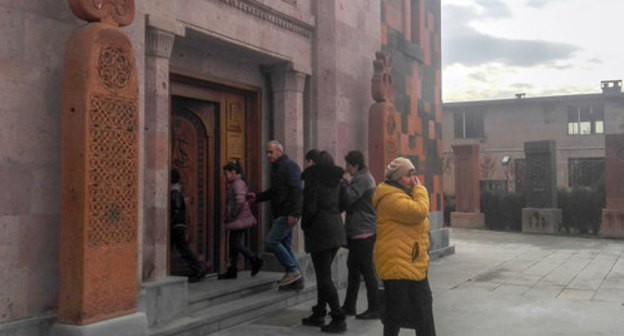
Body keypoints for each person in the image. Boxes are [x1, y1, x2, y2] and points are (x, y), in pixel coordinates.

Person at [372, 157, 436, 336]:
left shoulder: (404, 194)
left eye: (414, 174)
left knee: (423, 309)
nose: (413, 179)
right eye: (409, 175)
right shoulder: (390, 197)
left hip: (412, 261)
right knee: (396, 313)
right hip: (397, 264)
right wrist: (421, 190)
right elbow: (419, 212)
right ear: (397, 178)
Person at [300, 150, 347, 333]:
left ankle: (338, 316)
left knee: (324, 276)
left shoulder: (313, 180)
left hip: (319, 230)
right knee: (324, 273)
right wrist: (333, 213)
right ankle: (320, 311)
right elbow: (346, 202)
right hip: (335, 229)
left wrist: (305, 224)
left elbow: (310, 207)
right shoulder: (337, 180)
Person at [247, 140, 304, 289]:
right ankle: (297, 280)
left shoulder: (289, 167)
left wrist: (294, 213)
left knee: (271, 241)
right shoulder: (278, 168)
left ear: (280, 151)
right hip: (281, 212)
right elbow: (274, 192)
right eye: (267, 152)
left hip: (287, 213)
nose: (268, 155)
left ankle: (292, 270)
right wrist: (257, 197)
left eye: (271, 152)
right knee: (285, 245)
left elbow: (297, 190)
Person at [340, 150, 379, 319]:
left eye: (348, 165)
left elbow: (349, 198)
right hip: (360, 230)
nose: (346, 169)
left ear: (355, 165)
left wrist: (343, 183)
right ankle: (349, 306)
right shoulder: (364, 177)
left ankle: (375, 307)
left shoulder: (362, 179)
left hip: (363, 230)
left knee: (366, 270)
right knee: (354, 270)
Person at [218, 162, 264, 280]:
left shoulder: (237, 183)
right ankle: (232, 270)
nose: (225, 176)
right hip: (239, 219)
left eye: (226, 174)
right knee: (233, 245)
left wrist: (232, 214)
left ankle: (255, 260)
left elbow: (239, 201)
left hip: (239, 219)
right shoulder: (237, 182)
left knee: (235, 244)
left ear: (233, 172)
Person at [170, 169, 207, 283]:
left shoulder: (175, 193)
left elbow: (176, 210)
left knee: (184, 249)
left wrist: (170, 223)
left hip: (176, 226)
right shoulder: (175, 192)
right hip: (177, 225)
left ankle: (199, 268)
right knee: (181, 249)